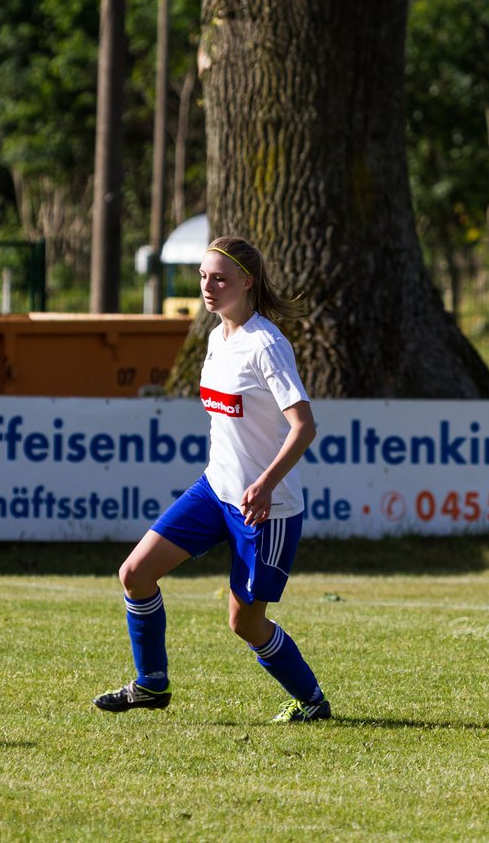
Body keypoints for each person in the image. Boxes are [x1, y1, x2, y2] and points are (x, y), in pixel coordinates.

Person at [93, 236, 330, 723]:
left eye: (219, 278)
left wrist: (264, 484)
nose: (208, 286)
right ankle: (150, 685)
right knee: (135, 574)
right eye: (202, 276)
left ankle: (313, 702)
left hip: (266, 508)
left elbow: (304, 426)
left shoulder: (266, 345)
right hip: (214, 491)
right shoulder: (216, 338)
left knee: (245, 622)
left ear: (247, 282)